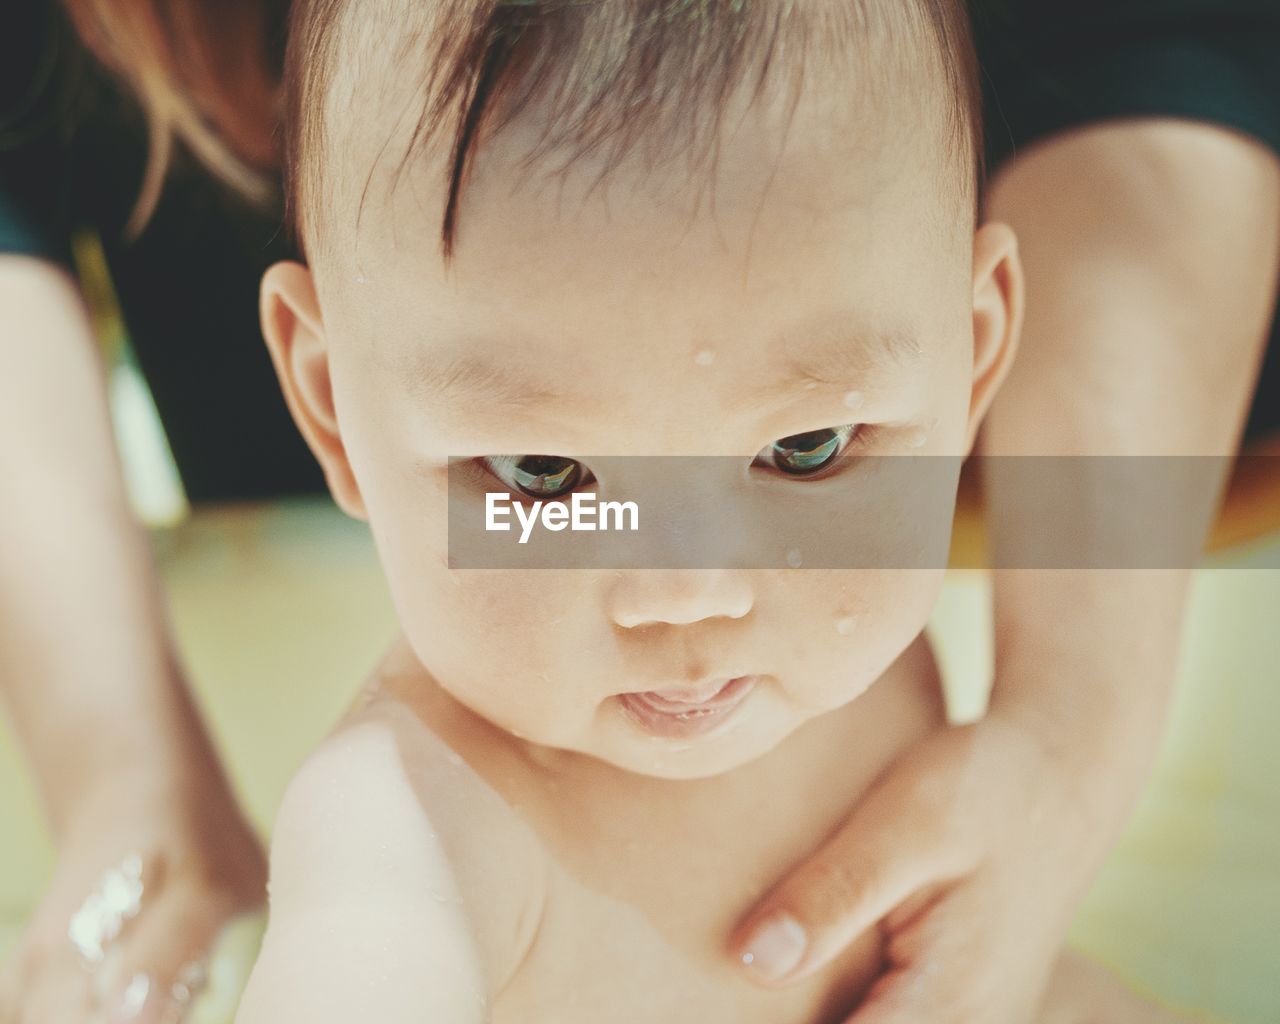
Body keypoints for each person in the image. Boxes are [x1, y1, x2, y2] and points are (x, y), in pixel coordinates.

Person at [1, 1, 1276, 1023]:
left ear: (972, 352)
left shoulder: (853, 675)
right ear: (333, 409)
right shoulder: (412, 823)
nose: (690, 593)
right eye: (544, 478)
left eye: (806, 448)